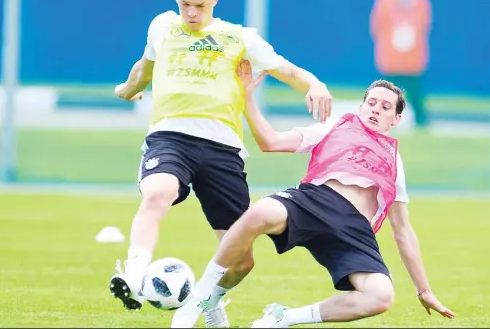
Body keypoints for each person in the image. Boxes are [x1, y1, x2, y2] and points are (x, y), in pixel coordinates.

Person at [109, 0, 333, 327]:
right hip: (170, 135)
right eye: (185, 5)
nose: (192, 13)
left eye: (200, 5)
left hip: (222, 148)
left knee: (242, 260)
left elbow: (288, 70)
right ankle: (134, 275)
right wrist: (126, 90)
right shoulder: (162, 25)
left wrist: (315, 85)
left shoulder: (239, 37)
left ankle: (210, 300)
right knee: (156, 192)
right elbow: (144, 68)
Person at [171, 61, 455, 328]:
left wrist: (424, 290)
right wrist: (247, 99)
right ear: (361, 106)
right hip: (315, 201)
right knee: (258, 213)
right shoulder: (335, 128)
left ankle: (285, 317)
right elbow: (270, 142)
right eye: (371, 102)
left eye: (385, 106)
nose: (376, 109)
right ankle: (202, 296)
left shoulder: (395, 163)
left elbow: (402, 231)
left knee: (381, 297)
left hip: (354, 231)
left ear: (396, 118)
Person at [370, 0, 432, 128]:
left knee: (415, 92)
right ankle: (381, 120)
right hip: (390, 58)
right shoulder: (384, 1)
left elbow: (423, 25)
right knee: (385, 93)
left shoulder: (420, 1)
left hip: (413, 59)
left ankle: (421, 121)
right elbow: (377, 26)